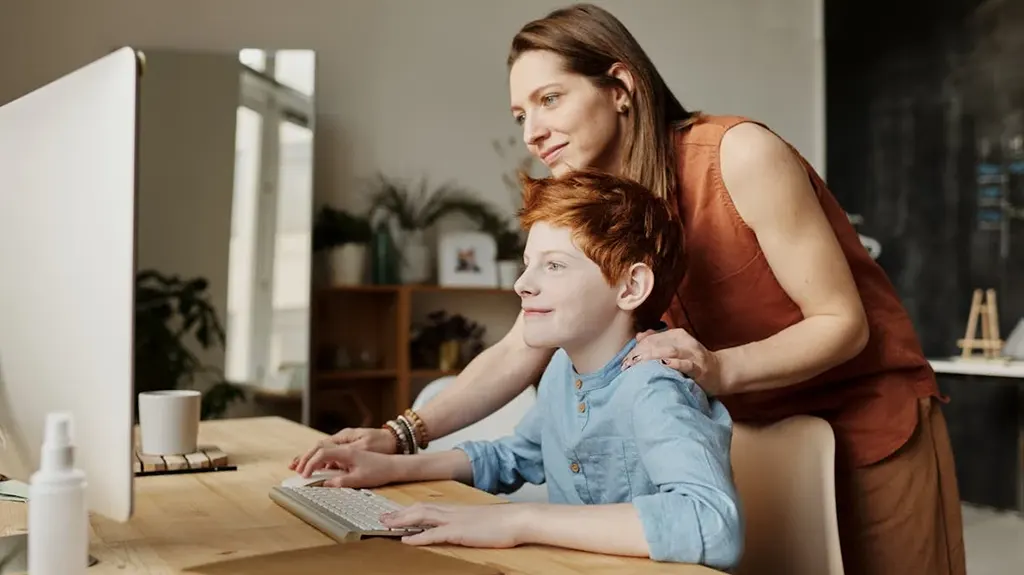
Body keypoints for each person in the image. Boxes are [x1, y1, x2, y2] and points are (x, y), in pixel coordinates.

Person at [292, 4, 965, 574]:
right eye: (519, 114)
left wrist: (719, 367)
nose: (532, 131)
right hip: (746, 431)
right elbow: (520, 345)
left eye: (550, 99)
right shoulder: (591, 204)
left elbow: (842, 321)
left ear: (620, 86)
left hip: (869, 423)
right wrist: (398, 434)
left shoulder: (739, 154)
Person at [294, 171, 743, 569]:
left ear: (630, 286)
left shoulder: (655, 386)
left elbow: (712, 523)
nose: (522, 283)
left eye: (553, 265)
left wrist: (518, 520)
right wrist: (390, 467)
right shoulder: (562, 371)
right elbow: (516, 456)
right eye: (529, 263)